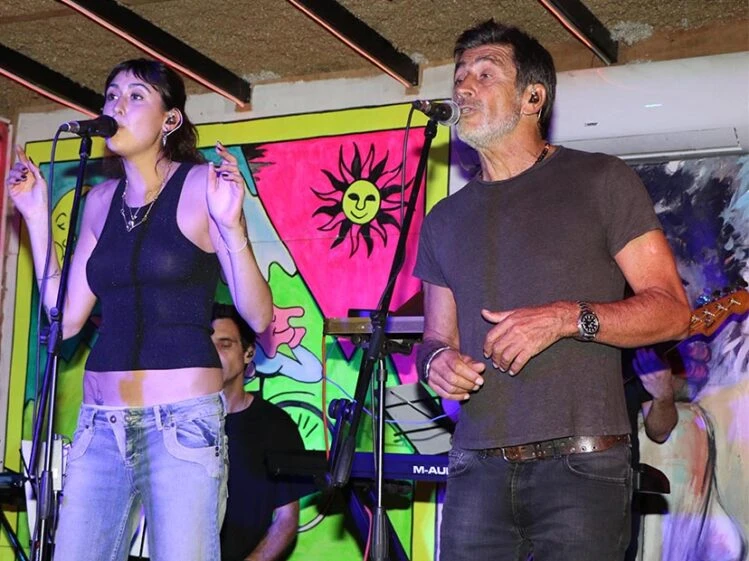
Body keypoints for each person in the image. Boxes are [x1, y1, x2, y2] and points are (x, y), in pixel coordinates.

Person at [413, 20, 691, 561]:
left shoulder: (601, 180)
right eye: (460, 75)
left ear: (532, 98)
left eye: (485, 74)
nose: (464, 86)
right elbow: (434, 339)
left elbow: (672, 312)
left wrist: (565, 317)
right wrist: (436, 363)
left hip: (582, 468)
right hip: (475, 469)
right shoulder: (443, 220)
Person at [6, 59, 272, 561]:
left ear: (170, 119)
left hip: (182, 425)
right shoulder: (100, 201)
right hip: (99, 425)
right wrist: (37, 218)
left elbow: (259, 316)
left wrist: (232, 225)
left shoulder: (201, 185)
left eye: (135, 96)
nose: (117, 106)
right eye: (111, 95)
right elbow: (66, 320)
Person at [211, 303, 311, 561]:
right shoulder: (177, 423)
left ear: (248, 353)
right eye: (207, 346)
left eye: (224, 345)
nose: (213, 355)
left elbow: (286, 520)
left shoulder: (276, 426)